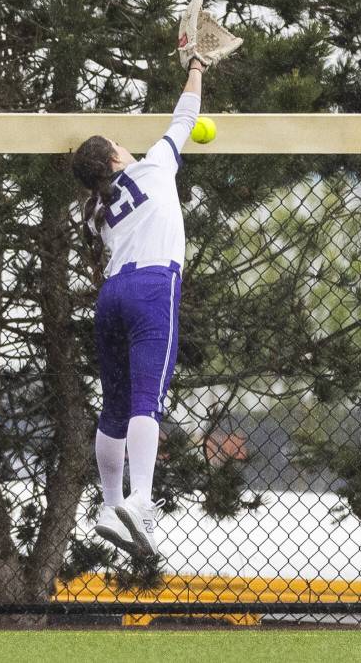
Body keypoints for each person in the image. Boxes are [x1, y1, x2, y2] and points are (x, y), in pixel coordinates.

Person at [71, 57, 207, 558]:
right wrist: (195, 65)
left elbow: (101, 190)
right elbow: (185, 115)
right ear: (114, 159)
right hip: (153, 285)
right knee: (148, 400)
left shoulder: (93, 212)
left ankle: (111, 506)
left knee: (115, 407)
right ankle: (142, 500)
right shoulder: (153, 165)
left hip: (111, 295)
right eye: (117, 145)